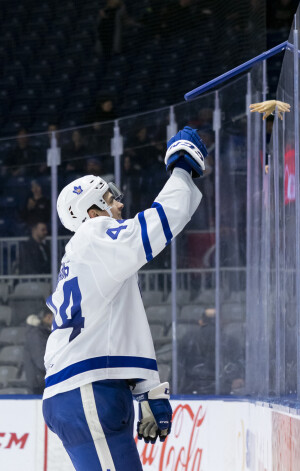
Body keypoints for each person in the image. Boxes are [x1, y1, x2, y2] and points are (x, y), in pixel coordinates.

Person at [42, 126, 208, 470]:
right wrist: (181, 170)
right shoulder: (94, 235)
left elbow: (116, 327)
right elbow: (157, 225)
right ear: (90, 213)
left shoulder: (87, 259)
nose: (119, 204)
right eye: (109, 199)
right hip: (87, 390)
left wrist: (149, 388)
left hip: (82, 390)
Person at [24, 311, 53, 394]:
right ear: (48, 316)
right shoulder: (37, 334)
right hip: (39, 385)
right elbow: (41, 361)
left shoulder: (41, 332)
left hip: (40, 382)